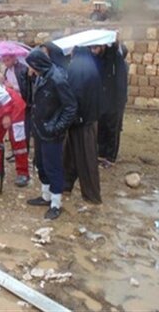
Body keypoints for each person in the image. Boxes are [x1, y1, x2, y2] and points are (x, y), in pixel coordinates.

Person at [25, 49, 77, 220]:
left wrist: (57, 128)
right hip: (40, 129)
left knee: (53, 166)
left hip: (51, 131)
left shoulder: (57, 79)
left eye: (31, 66)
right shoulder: (41, 76)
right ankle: (45, 195)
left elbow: (70, 107)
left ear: (38, 64)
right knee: (41, 163)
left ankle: (56, 203)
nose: (30, 69)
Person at [63, 46, 103, 204]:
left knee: (86, 159)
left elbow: (75, 93)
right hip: (86, 118)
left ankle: (92, 195)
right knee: (70, 156)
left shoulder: (77, 66)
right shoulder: (89, 64)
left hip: (82, 121)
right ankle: (65, 185)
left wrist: (74, 117)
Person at [98, 42, 128, 167]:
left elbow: (120, 86)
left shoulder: (119, 64)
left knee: (112, 129)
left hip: (115, 103)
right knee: (103, 126)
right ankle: (102, 154)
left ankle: (110, 157)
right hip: (106, 101)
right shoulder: (107, 63)